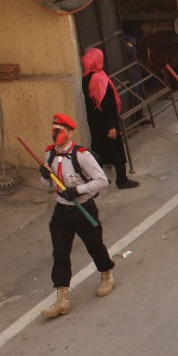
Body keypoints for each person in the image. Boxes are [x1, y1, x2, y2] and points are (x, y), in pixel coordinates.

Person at [39, 114, 115, 319]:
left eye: (59, 129)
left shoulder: (81, 155)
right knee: (60, 253)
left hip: (83, 209)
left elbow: (102, 180)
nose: (55, 132)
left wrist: (78, 190)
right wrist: (44, 177)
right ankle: (62, 298)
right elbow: (46, 186)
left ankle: (106, 273)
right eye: (53, 128)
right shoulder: (49, 155)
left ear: (70, 133)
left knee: (95, 245)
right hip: (61, 209)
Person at [80, 48, 139, 189]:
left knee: (99, 148)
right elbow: (106, 104)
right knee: (115, 150)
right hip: (107, 123)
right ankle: (122, 179)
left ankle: (96, 178)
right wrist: (110, 125)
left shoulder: (86, 77)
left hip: (95, 123)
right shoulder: (98, 79)